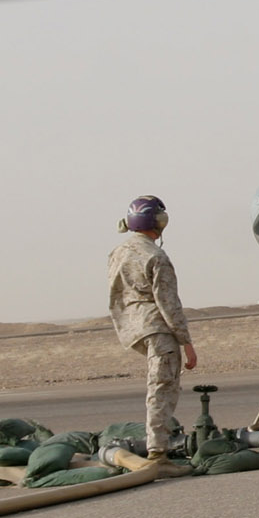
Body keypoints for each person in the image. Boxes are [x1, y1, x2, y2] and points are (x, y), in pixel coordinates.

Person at [107, 195, 197, 472]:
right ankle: (158, 454)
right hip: (157, 328)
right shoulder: (155, 256)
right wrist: (186, 342)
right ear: (157, 222)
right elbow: (168, 303)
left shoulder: (118, 252)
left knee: (159, 386)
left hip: (133, 328)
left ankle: (160, 447)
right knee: (162, 388)